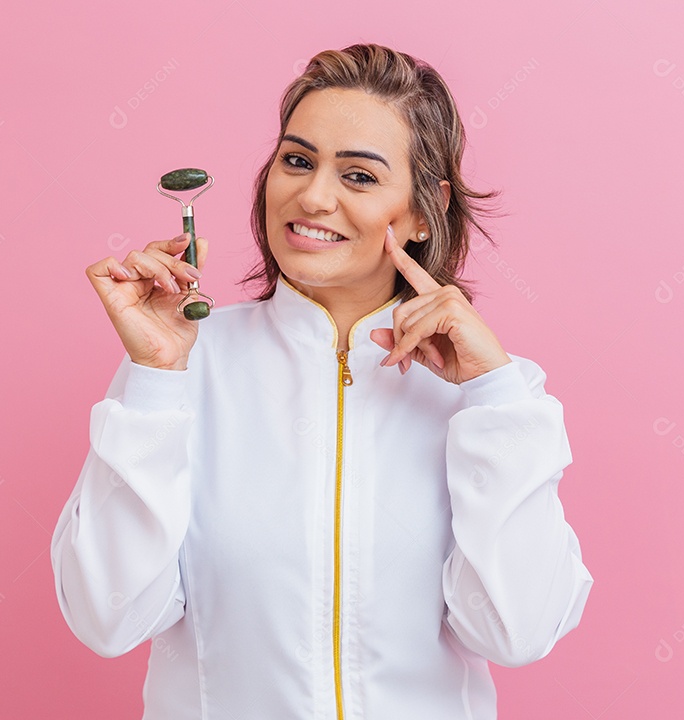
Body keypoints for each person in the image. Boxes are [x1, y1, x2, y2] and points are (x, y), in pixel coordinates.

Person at [51, 43, 593, 719]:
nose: (312, 196)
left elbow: (518, 632)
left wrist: (494, 396)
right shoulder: (186, 365)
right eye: (297, 160)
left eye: (359, 177)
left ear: (426, 210)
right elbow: (106, 618)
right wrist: (156, 381)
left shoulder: (489, 397)